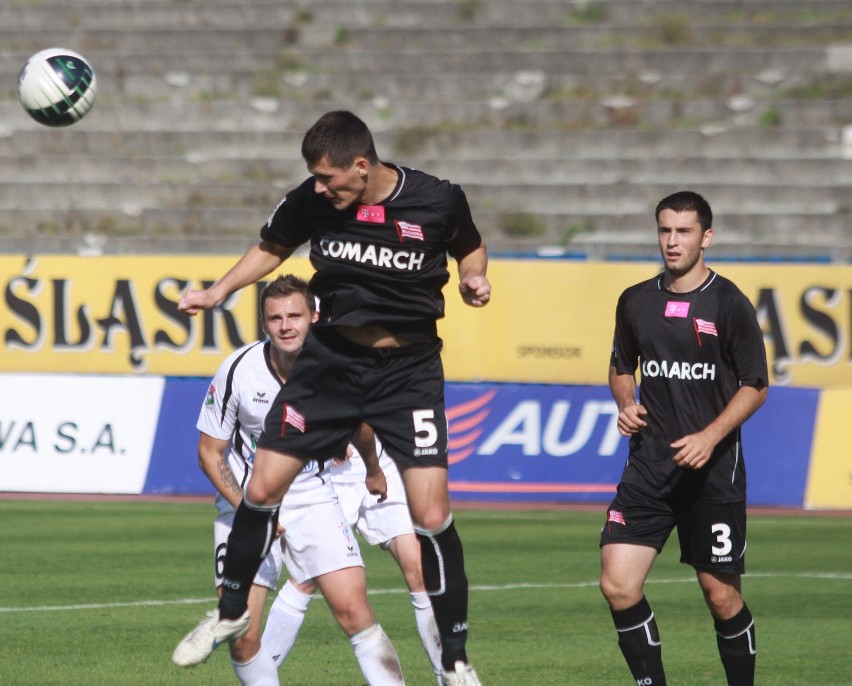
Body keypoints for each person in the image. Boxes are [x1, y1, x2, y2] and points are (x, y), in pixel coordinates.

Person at [174, 110, 490, 686]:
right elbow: (271, 248)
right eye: (314, 178)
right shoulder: (312, 201)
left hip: (408, 371)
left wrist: (475, 277)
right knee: (263, 486)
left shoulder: (438, 200)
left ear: (362, 166)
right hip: (332, 363)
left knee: (431, 514)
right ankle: (226, 616)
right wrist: (219, 290)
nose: (319, 188)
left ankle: (456, 659)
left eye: (328, 177)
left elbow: (471, 247)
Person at [172, 274, 405, 686]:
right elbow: (210, 453)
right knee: (243, 636)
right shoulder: (238, 370)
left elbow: (360, 424)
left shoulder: (333, 366)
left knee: (355, 612)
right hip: (244, 501)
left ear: (314, 316)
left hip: (311, 496)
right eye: (275, 318)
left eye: (295, 315)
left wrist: (372, 468)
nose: (286, 326)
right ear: (264, 324)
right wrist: (250, 509)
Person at [599, 190, 769, 686]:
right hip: (650, 465)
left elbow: (755, 386)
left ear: (706, 237)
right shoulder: (635, 301)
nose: (672, 242)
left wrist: (710, 436)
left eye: (684, 231)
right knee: (617, 584)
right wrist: (626, 404)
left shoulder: (729, 303)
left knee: (721, 597)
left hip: (712, 471)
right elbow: (619, 367)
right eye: (664, 230)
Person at [263, 428, 443, 684]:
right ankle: (258, 675)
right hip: (330, 471)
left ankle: (449, 675)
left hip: (382, 459)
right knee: (308, 579)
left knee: (421, 571)